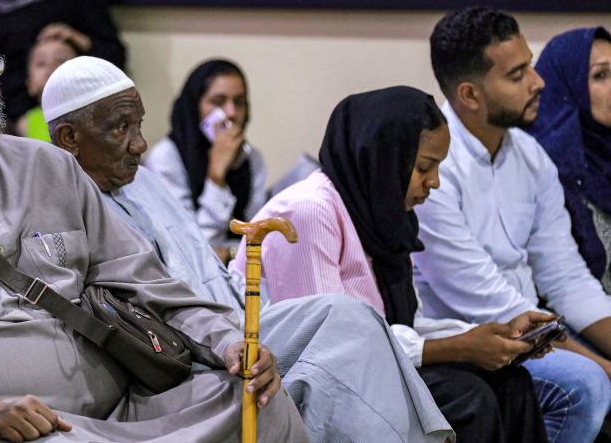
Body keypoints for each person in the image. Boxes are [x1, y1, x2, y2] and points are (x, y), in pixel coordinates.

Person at [0, 0, 308, 442]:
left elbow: (149, 284)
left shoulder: (49, 167)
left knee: (255, 401)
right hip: (16, 430)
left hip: (127, 408)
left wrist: (229, 343)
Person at [42, 56, 456, 442]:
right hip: (185, 353)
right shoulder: (62, 209)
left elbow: (207, 263)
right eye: (120, 128)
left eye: (139, 125)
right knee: (348, 354)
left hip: (237, 319)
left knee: (346, 313)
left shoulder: (146, 183)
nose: (139, 144)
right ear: (69, 138)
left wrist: (240, 314)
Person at [233, 86, 552, 443]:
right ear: (384, 159)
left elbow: (399, 326)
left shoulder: (378, 217)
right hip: (299, 385)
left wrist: (494, 334)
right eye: (424, 167)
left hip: (369, 371)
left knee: (512, 384)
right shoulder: (308, 210)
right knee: (467, 397)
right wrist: (462, 346)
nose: (434, 182)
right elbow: (332, 347)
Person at [414, 7, 611, 443]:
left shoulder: (530, 154)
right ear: (470, 94)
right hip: (472, 343)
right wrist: (605, 368)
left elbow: (566, 276)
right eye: (518, 74)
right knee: (586, 384)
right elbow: (487, 302)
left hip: (532, 334)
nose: (538, 82)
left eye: (531, 67)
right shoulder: (432, 168)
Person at [147, 59, 267, 260]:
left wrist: (230, 253)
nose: (231, 113)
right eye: (218, 102)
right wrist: (216, 177)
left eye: (239, 102)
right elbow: (191, 249)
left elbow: (257, 237)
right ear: (195, 107)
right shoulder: (166, 158)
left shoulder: (252, 158)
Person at [528, 27, 611, 292]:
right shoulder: (545, 168)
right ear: (568, 85)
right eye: (600, 75)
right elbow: (562, 287)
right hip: (578, 323)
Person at [15, 34, 79, 140]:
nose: (51, 65)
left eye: (61, 60)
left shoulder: (91, 114)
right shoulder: (25, 124)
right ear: (30, 85)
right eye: (41, 63)